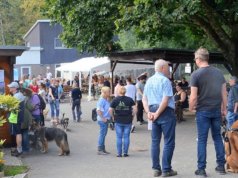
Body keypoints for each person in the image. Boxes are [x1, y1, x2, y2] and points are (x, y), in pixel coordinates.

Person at [189, 47, 227, 176]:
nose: (195, 61)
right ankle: (221, 166)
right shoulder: (218, 73)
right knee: (217, 138)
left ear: (199, 59)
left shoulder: (196, 74)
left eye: (195, 59)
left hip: (203, 111)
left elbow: (193, 96)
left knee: (202, 140)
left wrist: (190, 107)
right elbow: (224, 93)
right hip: (216, 110)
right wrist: (224, 109)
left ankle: (201, 169)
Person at [142, 59, 177, 177]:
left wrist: (148, 112)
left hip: (152, 109)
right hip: (165, 112)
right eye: (167, 67)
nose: (169, 69)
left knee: (155, 141)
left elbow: (144, 98)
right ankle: (166, 169)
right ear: (162, 68)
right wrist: (157, 113)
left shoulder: (149, 81)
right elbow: (165, 100)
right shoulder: (165, 80)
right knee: (169, 141)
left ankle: (156, 169)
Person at [110, 86, 136, 157]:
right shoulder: (130, 99)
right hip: (128, 120)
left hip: (118, 120)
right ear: (125, 92)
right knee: (126, 137)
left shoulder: (115, 100)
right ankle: (125, 153)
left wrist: (113, 117)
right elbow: (135, 109)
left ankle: (119, 153)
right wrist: (132, 116)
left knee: (119, 137)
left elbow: (110, 110)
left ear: (119, 92)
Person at [7, 82, 25, 157]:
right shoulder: (20, 94)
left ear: (14, 88)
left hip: (16, 118)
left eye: (11, 87)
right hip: (19, 117)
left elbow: (14, 108)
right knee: (19, 133)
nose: (9, 88)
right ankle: (19, 149)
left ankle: (19, 150)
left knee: (18, 133)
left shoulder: (16, 96)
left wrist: (7, 108)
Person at [96, 86, 111, 155]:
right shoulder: (102, 100)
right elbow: (98, 110)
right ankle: (100, 149)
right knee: (102, 134)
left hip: (105, 119)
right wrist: (103, 118)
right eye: (109, 92)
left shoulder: (105, 99)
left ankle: (102, 148)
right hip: (103, 120)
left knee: (103, 134)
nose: (110, 93)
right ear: (105, 93)